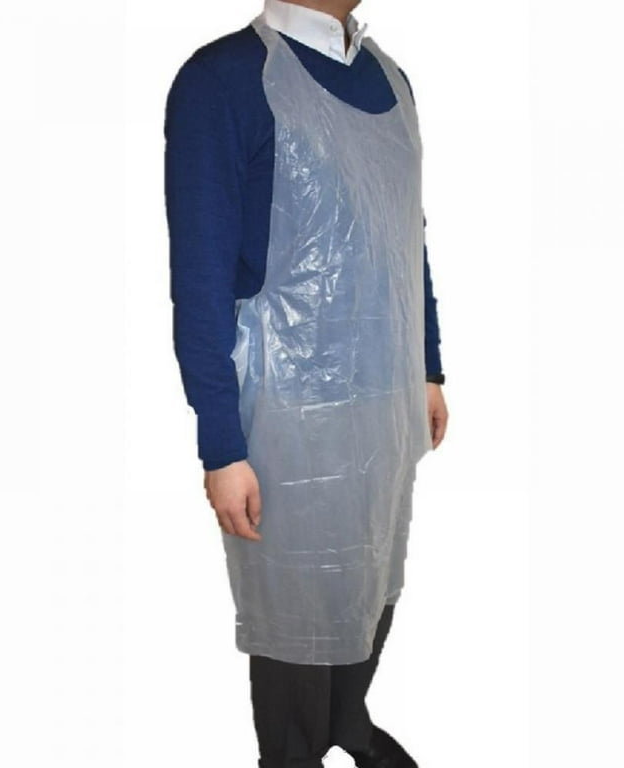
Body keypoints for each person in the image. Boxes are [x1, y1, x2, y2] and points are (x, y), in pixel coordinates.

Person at [164, 1, 449, 765]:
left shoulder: (390, 79)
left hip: (383, 395)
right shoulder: (224, 81)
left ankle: (347, 719)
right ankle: (292, 752)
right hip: (287, 409)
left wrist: (426, 365)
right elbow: (200, 278)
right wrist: (222, 445)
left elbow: (406, 234)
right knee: (296, 599)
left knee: (372, 573)